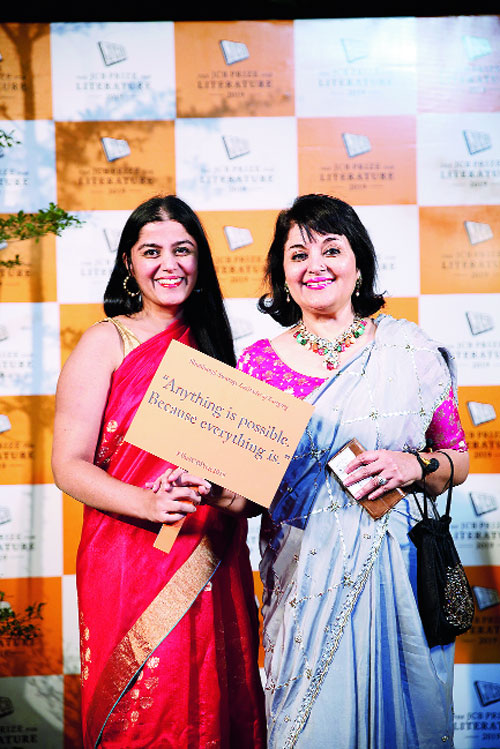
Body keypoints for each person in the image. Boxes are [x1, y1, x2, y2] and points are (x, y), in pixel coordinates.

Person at [236, 194, 469, 748]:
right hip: (302, 579)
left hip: (401, 573)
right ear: (281, 274)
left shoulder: (409, 349)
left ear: (358, 264)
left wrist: (412, 463)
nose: (315, 265)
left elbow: (457, 460)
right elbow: (243, 495)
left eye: (331, 249)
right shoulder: (257, 364)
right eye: (298, 253)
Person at [51, 195, 266, 748]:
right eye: (151, 251)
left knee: (218, 706)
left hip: (212, 554)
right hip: (128, 551)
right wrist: (147, 503)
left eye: (183, 250)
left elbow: (248, 494)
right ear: (128, 262)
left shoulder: (221, 350)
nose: (168, 264)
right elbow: (67, 466)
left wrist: (221, 493)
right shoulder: (107, 342)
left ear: (201, 262)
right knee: (147, 716)